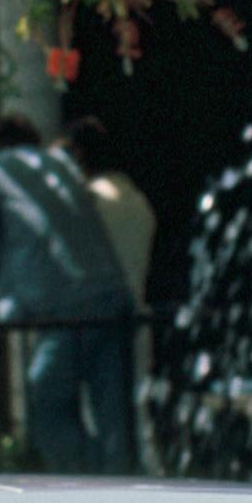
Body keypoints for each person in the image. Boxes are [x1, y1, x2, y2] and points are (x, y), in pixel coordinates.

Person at [0, 113, 134, 473]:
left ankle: (88, 488)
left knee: (46, 410)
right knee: (115, 417)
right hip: (112, 296)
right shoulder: (61, 166)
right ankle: (124, 490)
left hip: (66, 307)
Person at [62, 118, 154, 472]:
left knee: (98, 417)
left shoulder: (89, 204)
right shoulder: (136, 200)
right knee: (137, 415)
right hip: (136, 316)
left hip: (96, 319)